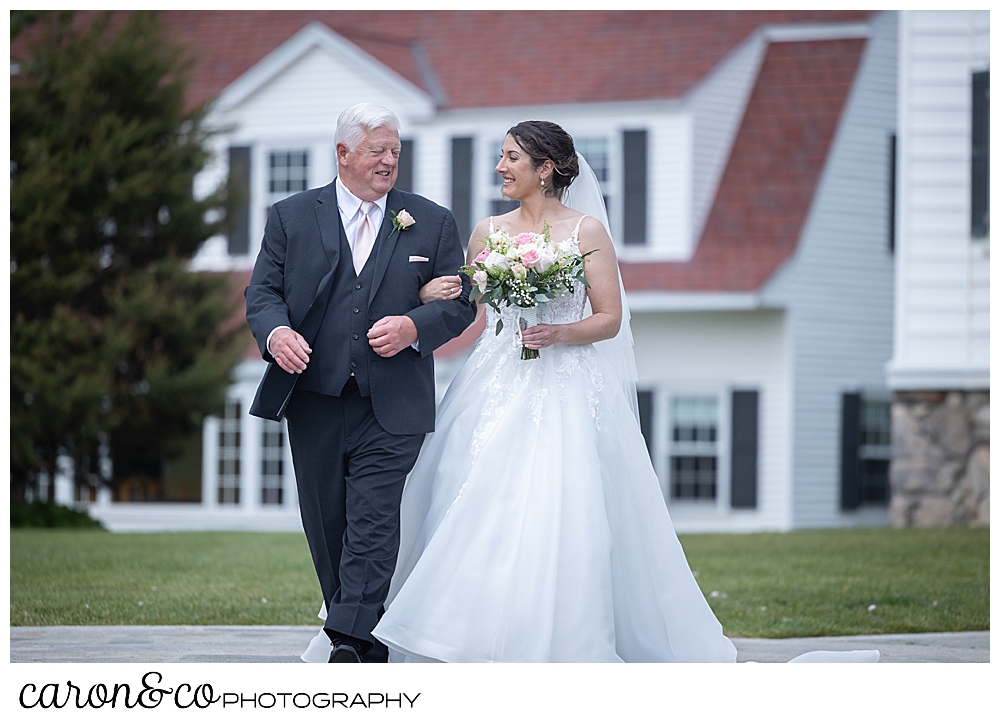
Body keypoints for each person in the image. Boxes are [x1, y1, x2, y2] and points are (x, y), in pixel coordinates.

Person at [369, 121, 879, 663]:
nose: (500, 167)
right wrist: (429, 290)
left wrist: (560, 333)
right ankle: (458, 635)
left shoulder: (586, 233)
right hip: (494, 382)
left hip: (566, 384)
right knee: (466, 494)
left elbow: (609, 319)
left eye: (512, 157)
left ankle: (561, 639)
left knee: (562, 502)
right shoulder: (486, 231)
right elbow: (466, 308)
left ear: (545, 169)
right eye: (501, 156)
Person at [245, 102, 476, 663]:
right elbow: (262, 295)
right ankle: (360, 635)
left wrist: (412, 326)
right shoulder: (290, 216)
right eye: (377, 150)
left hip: (393, 402)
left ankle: (347, 638)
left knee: (373, 516)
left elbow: (460, 302)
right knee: (327, 522)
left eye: (396, 151)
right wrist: (276, 334)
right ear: (343, 153)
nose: (389, 161)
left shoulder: (432, 219)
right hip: (314, 397)